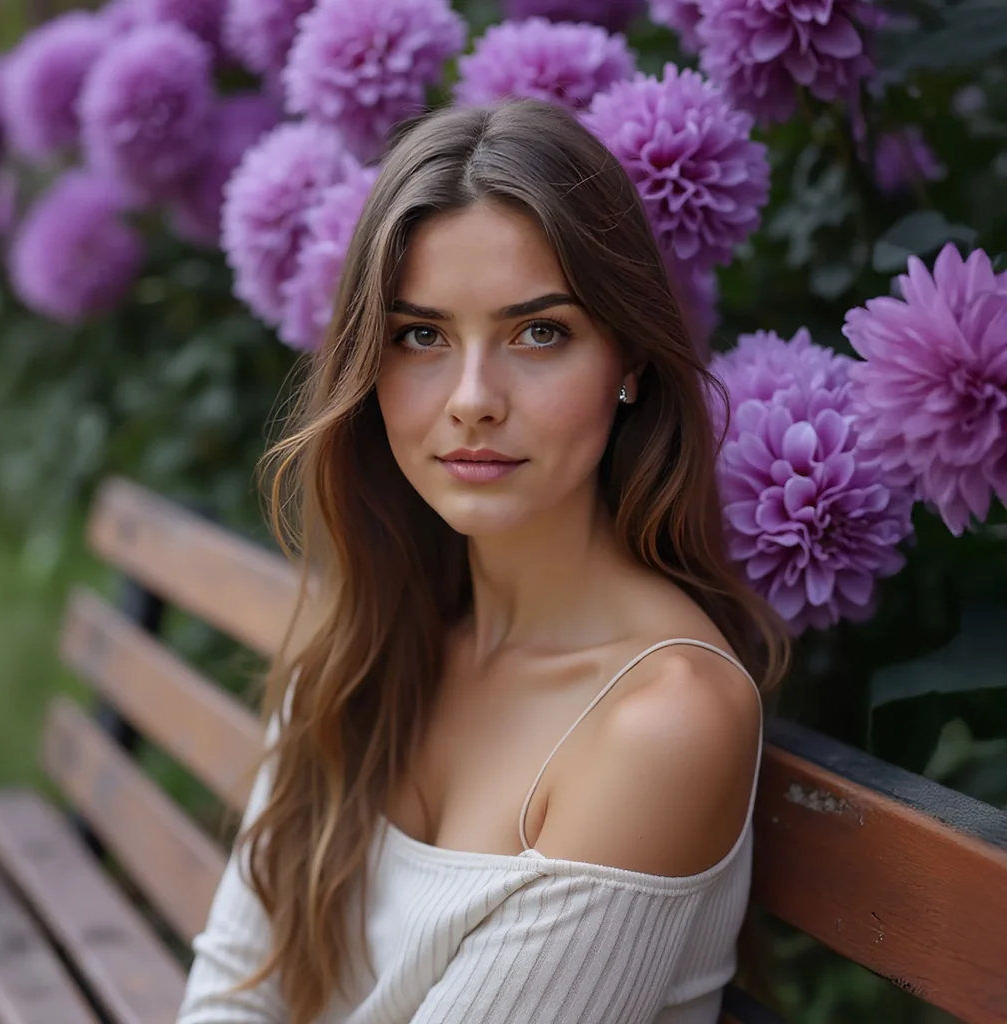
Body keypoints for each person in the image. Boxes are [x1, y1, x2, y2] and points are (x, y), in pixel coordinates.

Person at [176, 98, 788, 1024]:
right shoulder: (373, 640)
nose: (471, 400)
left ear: (627, 357)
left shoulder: (661, 723)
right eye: (420, 335)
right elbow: (231, 992)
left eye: (539, 332)